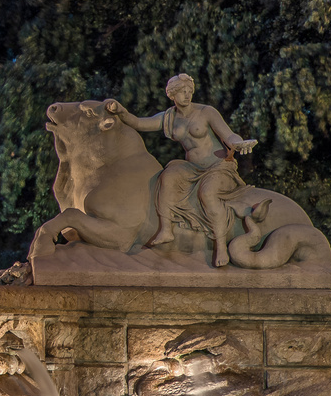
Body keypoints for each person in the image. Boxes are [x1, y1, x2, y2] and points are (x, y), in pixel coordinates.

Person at [105, 74, 258, 267]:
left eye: (189, 92)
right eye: (182, 92)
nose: (187, 96)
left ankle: (220, 246)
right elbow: (138, 123)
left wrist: (239, 143)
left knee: (207, 193)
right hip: (191, 168)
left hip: (218, 167)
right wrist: (120, 111)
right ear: (172, 94)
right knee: (168, 175)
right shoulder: (169, 117)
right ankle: (166, 229)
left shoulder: (207, 112)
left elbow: (228, 134)